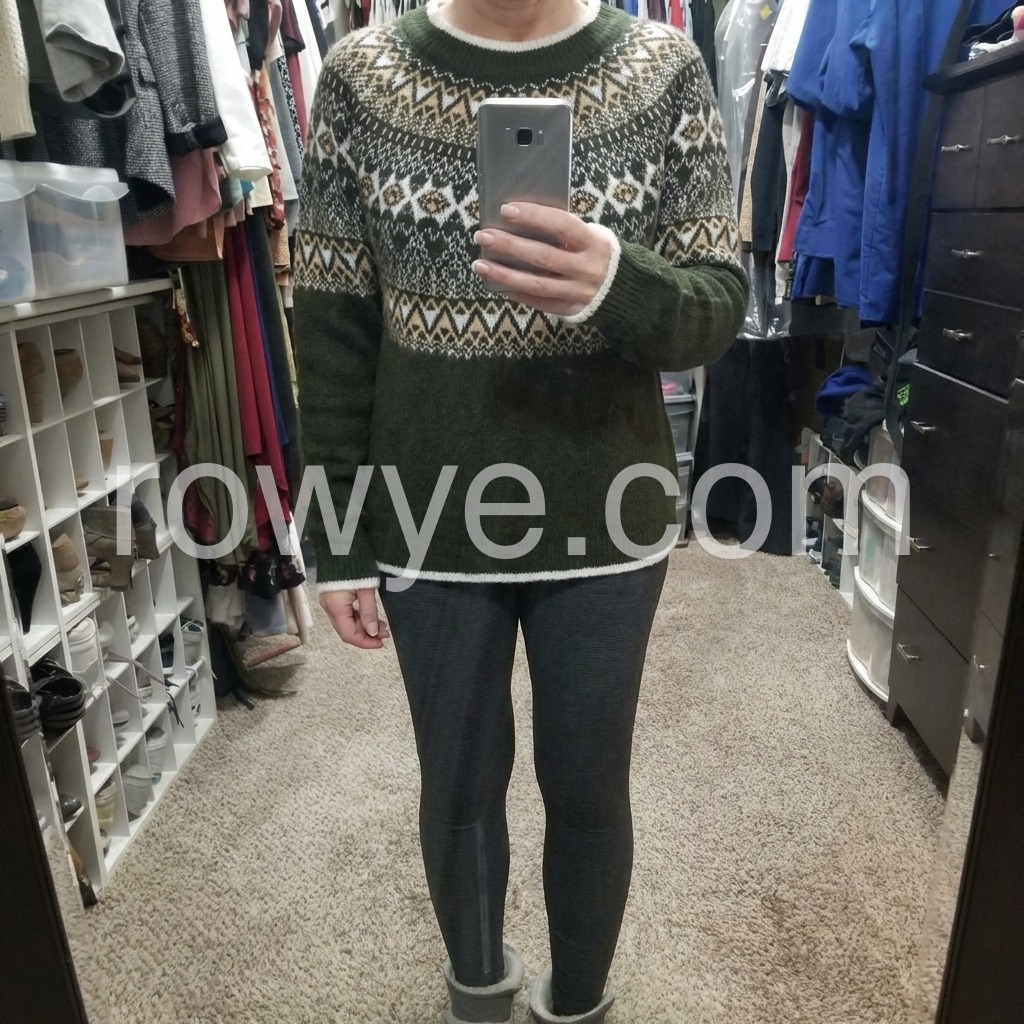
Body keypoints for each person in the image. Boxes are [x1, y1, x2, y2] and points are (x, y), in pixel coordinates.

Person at [294, 0, 747, 1019]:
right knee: (457, 783)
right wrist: (338, 540)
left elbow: (717, 306)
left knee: (588, 784)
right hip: (427, 515)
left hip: (606, 513)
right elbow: (330, 326)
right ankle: (477, 992)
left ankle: (577, 1003)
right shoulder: (362, 75)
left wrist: (613, 283)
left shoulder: (663, 67)